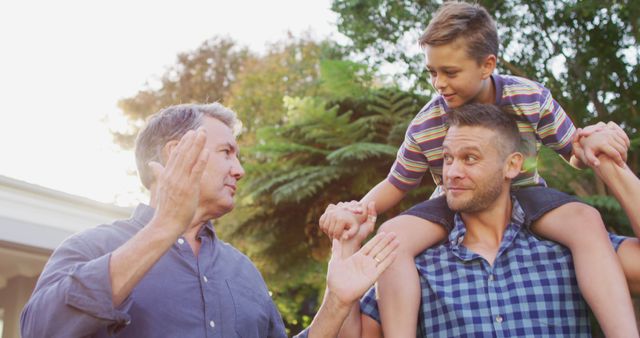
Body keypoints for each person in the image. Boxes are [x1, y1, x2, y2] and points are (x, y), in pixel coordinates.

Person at [319, 2, 636, 337]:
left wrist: (598, 142)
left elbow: (574, 151)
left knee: (586, 220)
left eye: (450, 72)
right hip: (452, 202)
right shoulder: (426, 124)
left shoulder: (529, 97)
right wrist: (358, 210)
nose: (438, 83)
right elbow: (397, 183)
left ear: (487, 65)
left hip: (528, 196)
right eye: (432, 72)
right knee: (391, 240)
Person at [18, 103, 399, 338]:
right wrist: (165, 226)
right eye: (227, 152)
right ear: (177, 153)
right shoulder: (91, 247)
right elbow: (41, 329)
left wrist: (336, 300)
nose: (240, 169)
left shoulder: (242, 271)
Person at [345, 103, 640, 337]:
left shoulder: (573, 249)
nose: (452, 173)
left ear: (512, 165)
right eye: (448, 159)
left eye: (470, 158)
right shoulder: (413, 265)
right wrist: (345, 252)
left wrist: (610, 164)